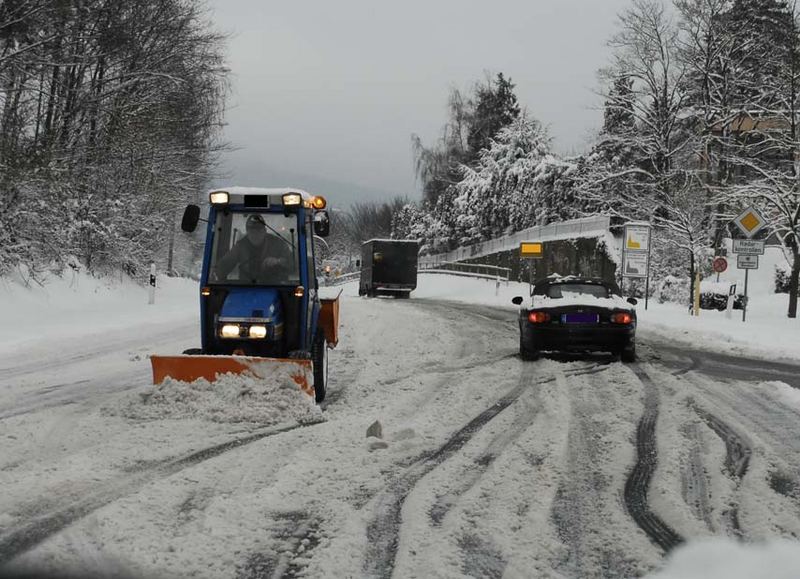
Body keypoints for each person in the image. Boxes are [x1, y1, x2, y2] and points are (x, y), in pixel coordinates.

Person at [213, 214, 295, 282]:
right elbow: (225, 264)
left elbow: (292, 263)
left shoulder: (278, 244)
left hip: (275, 288)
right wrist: (215, 275)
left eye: (259, 230)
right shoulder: (240, 247)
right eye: (252, 231)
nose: (255, 234)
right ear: (247, 231)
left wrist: (278, 261)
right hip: (245, 289)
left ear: (265, 231)